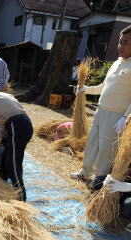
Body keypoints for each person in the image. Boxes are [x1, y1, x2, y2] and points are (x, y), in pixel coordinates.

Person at [70, 25, 131, 191]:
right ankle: (86, 171)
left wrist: (125, 117)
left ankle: (100, 177)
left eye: (126, 43)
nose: (121, 46)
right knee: (93, 142)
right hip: (101, 110)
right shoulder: (117, 63)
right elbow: (104, 86)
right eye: (120, 42)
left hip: (117, 115)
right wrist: (86, 90)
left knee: (106, 148)